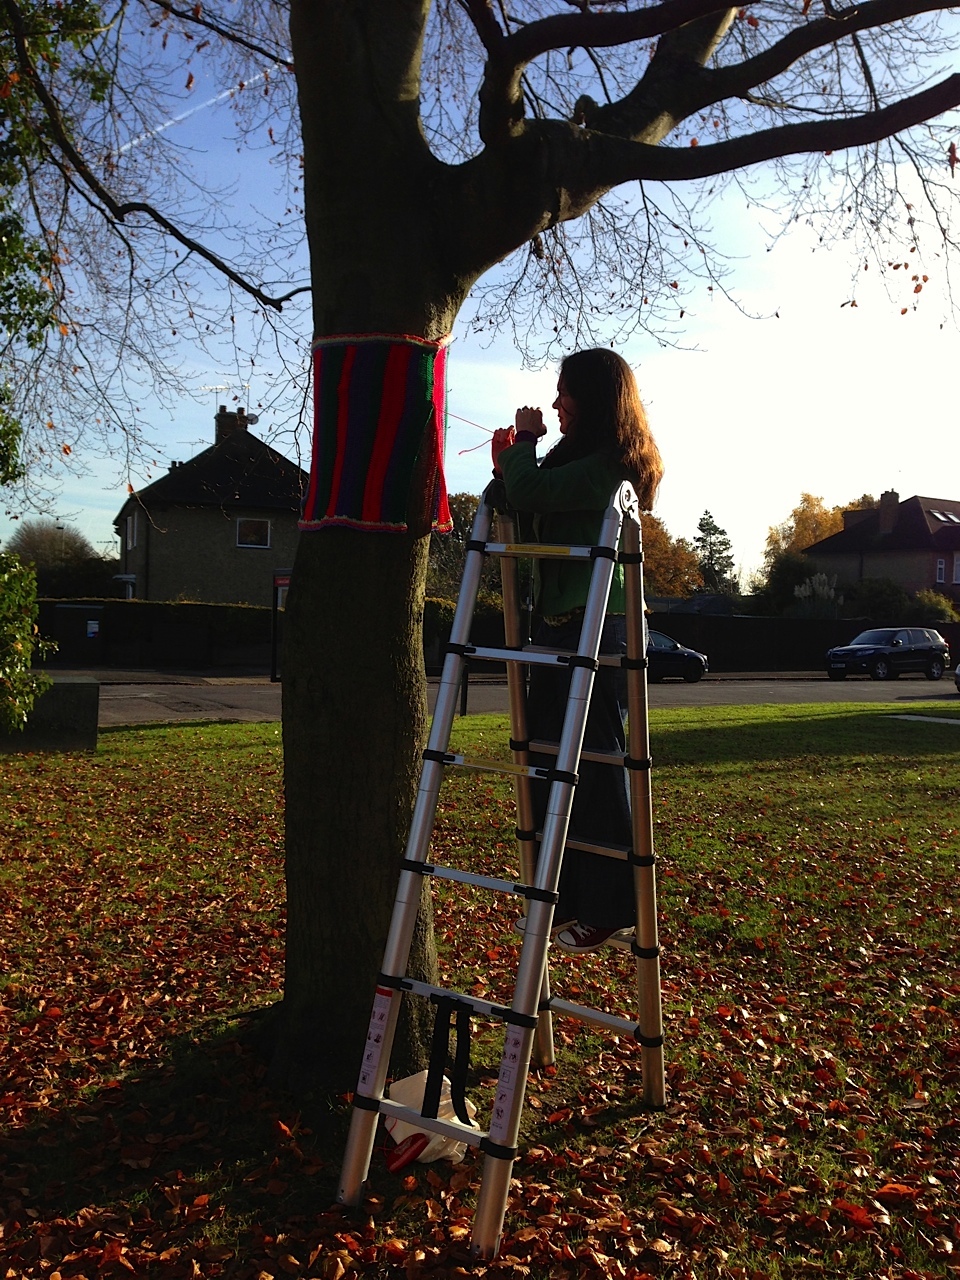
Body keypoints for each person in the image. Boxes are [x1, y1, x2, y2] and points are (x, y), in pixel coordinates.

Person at [490, 348, 663, 954]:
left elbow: (532, 489)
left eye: (564, 392)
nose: (556, 402)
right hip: (564, 626)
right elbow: (517, 499)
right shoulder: (576, 460)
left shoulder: (610, 467)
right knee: (548, 762)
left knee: (594, 765)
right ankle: (560, 896)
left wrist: (523, 447)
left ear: (593, 398)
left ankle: (612, 905)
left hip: (599, 626)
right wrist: (513, 460)